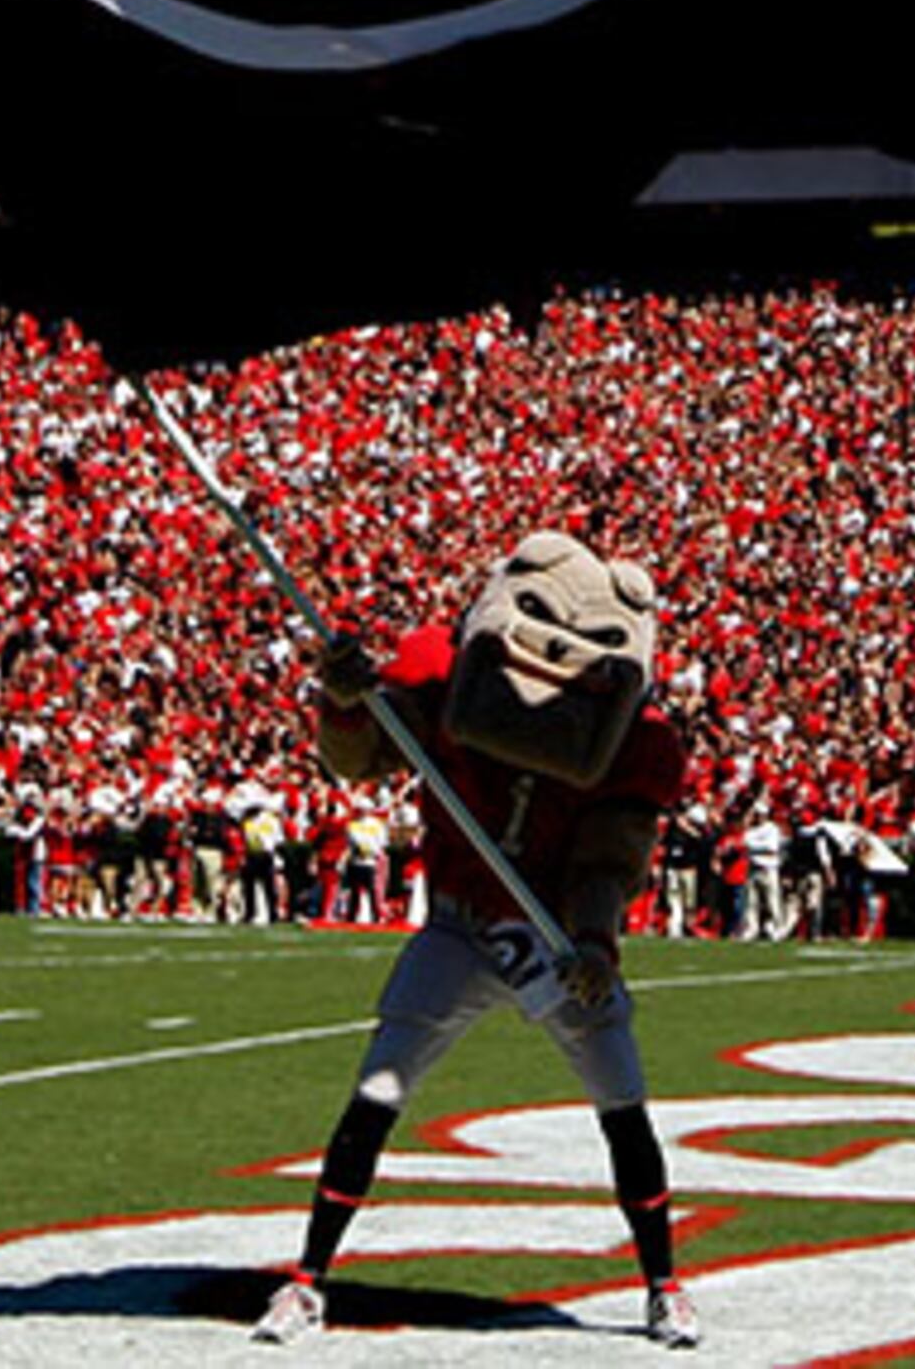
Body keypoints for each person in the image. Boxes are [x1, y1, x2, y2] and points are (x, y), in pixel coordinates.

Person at [253, 532, 696, 1350]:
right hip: (460, 919)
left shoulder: (635, 736)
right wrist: (347, 700)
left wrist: (596, 942)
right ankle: (309, 1281)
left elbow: (610, 856)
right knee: (379, 1087)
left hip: (552, 937)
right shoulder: (447, 669)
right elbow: (356, 760)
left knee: (621, 1101)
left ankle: (664, 1286)